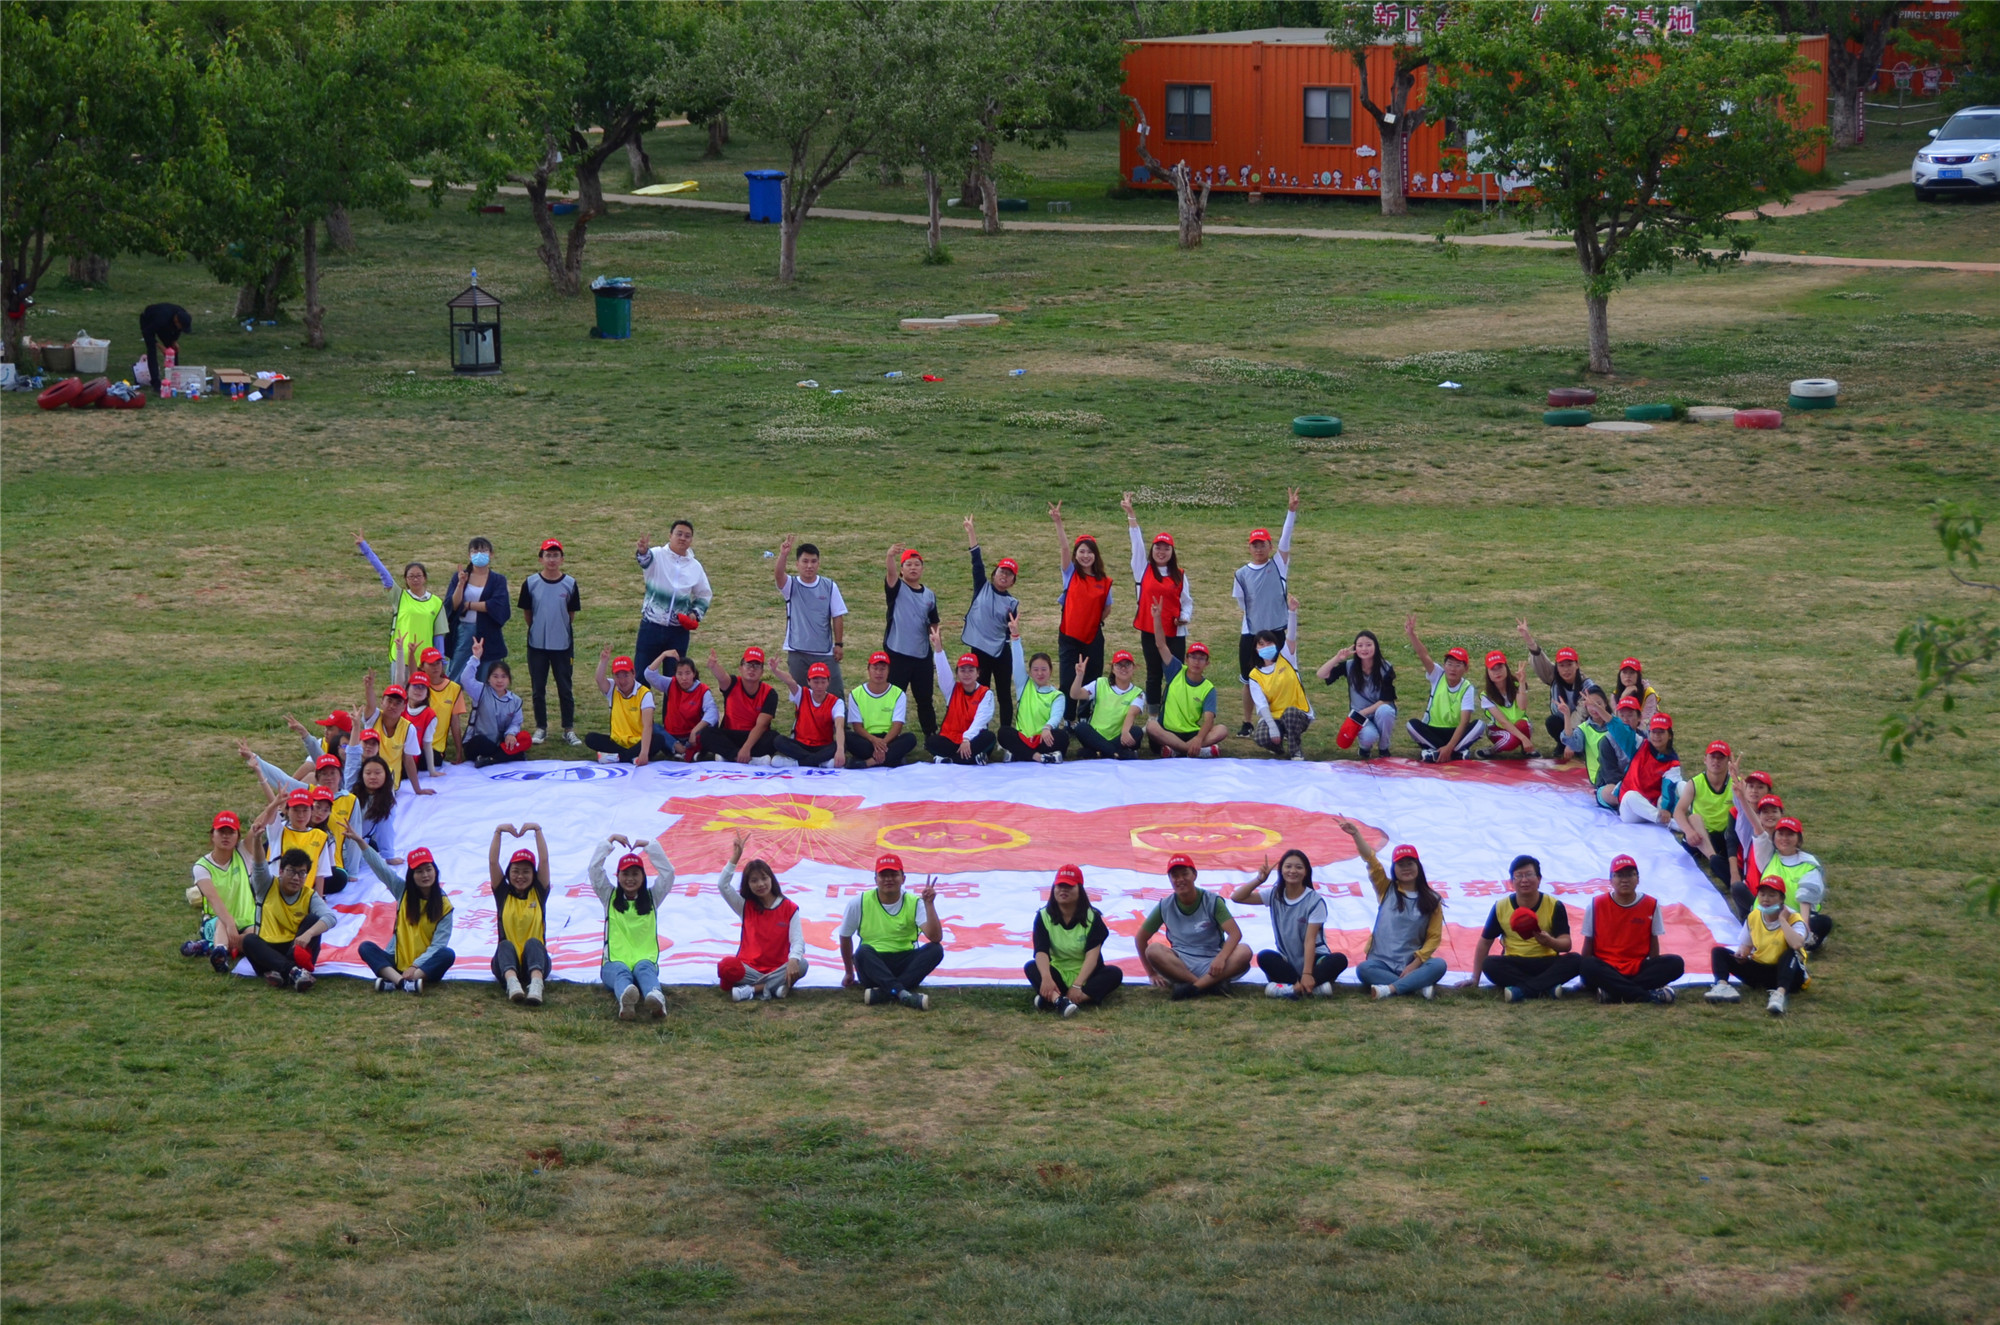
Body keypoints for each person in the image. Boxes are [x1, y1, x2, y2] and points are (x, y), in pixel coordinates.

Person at [1337, 823, 1447, 999]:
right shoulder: (1386, 888)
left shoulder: (1432, 899)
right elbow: (1371, 860)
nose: (1406, 868)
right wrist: (1356, 834)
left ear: (1418, 867)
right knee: (1364, 969)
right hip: (1381, 963)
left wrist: (1414, 966)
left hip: (1412, 963)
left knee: (1439, 965)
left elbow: (1434, 938)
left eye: (1410, 863)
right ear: (1394, 868)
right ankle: (1415, 987)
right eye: (1401, 864)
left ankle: (1390, 988)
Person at [1463, 855, 1581, 1001]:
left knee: (1576, 960)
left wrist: (1550, 941)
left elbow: (1566, 944)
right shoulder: (1501, 906)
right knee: (1489, 964)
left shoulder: (1554, 905)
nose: (1524, 880)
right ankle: (1546, 987)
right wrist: (1475, 978)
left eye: (1529, 875)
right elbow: (1485, 942)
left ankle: (1522, 991)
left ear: (1539, 879)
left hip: (1546, 962)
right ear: (1511, 882)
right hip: (1515, 963)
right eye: (1518, 876)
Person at [1231, 848, 1346, 999]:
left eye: (1299, 867)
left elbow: (1310, 940)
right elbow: (1237, 897)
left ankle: (1292, 988)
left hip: (1314, 959)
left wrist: (1307, 973)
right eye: (1288, 866)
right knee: (1264, 956)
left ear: (1306, 872)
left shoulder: (1315, 901)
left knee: (1339, 960)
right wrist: (1259, 880)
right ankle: (1310, 988)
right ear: (1281, 870)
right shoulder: (1274, 894)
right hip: (1288, 960)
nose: (1293, 871)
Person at [1135, 854, 1251, 999]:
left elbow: (1235, 933)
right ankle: (1209, 984)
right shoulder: (1164, 905)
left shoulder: (1212, 901)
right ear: (1170, 879)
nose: (1180, 879)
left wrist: (1221, 958)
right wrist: (1151, 973)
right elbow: (1140, 938)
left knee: (1244, 951)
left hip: (1213, 960)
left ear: (1194, 875)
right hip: (1181, 963)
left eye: (1185, 874)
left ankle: (1194, 987)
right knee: (1153, 950)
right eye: (1175, 876)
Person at [351, 838, 457, 995]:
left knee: (447, 954)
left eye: (428, 869)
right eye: (419, 871)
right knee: (366, 947)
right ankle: (403, 983)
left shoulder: (444, 905)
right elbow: (382, 869)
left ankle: (395, 981)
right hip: (396, 960)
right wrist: (360, 842)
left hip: (424, 967)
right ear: (411, 875)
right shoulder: (403, 891)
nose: (425, 875)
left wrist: (415, 966)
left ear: (435, 871)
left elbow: (438, 945)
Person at [1231, 490, 1299, 735]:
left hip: (1277, 631)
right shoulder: (1241, 574)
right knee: (1249, 678)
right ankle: (1248, 722)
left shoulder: (1278, 565)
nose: (1259, 548)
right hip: (1250, 633)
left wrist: (1291, 511)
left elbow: (1286, 539)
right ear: (1249, 548)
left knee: (1279, 677)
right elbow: (1242, 603)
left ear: (1270, 546)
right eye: (1255, 545)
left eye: (1263, 544)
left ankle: (1279, 719)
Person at [587, 832, 675, 1020]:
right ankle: (626, 1001)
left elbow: (668, 874)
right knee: (621, 973)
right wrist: (609, 841)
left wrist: (650, 846)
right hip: (613, 964)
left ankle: (655, 998)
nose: (630, 879)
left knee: (645, 970)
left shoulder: (652, 897)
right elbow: (594, 870)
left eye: (635, 874)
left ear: (643, 876)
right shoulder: (609, 896)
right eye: (625, 874)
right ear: (618, 876)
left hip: (645, 961)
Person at [839, 854, 943, 1009]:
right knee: (862, 952)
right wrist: (849, 972)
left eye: (894, 875)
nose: (889, 879)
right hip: (874, 965)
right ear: (876, 879)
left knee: (936, 950)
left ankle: (887, 992)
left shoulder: (915, 902)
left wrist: (929, 904)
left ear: (903, 879)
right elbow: (845, 936)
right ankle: (903, 992)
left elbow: (935, 937)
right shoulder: (858, 902)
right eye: (883, 875)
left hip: (905, 962)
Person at [1579, 854, 1684, 1004]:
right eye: (1619, 875)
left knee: (1676, 963)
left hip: (1637, 967)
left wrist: (1654, 967)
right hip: (1606, 967)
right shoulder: (1596, 904)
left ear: (1638, 879)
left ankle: (1614, 992)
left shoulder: (1651, 904)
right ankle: (1645, 995)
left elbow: (1653, 941)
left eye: (1630, 875)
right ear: (1610, 880)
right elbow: (1588, 942)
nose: (1625, 880)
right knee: (1587, 965)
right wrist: (1585, 974)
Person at [1123, 492, 1193, 710]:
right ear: (1152, 550)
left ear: (1172, 552)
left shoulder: (1179, 575)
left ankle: (1172, 713)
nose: (1161, 552)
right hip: (1150, 629)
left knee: (1175, 674)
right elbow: (1136, 544)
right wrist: (1131, 515)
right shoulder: (1142, 569)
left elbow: (1187, 602)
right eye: (1157, 548)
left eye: (1166, 548)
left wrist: (1184, 617)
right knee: (1153, 673)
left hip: (1175, 632)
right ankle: (1153, 715)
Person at [717, 833, 808, 1001]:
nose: (760, 884)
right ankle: (776, 987)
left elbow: (797, 941)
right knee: (726, 966)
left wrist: (793, 960)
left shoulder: (789, 908)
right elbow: (723, 885)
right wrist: (736, 857)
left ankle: (753, 989)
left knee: (801, 963)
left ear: (771, 879)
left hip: (778, 968)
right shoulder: (745, 906)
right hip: (750, 969)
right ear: (748, 885)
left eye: (764, 878)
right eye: (754, 881)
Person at [1704, 875, 1809, 1016]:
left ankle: (1780, 994)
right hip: (1761, 969)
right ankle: (1722, 986)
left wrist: (1783, 921)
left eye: (1772, 895)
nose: (1766, 899)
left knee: (1790, 953)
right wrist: (1742, 954)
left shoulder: (1794, 918)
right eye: (1762, 894)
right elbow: (1746, 946)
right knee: (1718, 952)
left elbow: (1796, 944)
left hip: (1789, 973)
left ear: (1781, 899)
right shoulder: (1754, 916)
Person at [1027, 864, 1123, 1014]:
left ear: (1080, 889)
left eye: (1069, 886)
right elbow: (1041, 951)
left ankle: (1055, 999)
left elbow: (1092, 957)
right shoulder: (1043, 916)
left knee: (1114, 974)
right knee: (1031, 967)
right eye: (1060, 885)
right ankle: (1060, 1001)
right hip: (1058, 972)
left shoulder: (1093, 917)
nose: (1063, 890)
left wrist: (1077, 985)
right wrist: (1046, 978)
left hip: (1087, 975)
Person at [242, 841, 336, 992]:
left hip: (295, 949)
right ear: (280, 871)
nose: (296, 878)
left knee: (313, 920)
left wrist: (309, 933)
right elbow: (259, 865)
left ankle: (282, 973)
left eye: (302, 873)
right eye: (291, 871)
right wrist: (257, 839)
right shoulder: (266, 885)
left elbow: (330, 917)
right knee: (249, 940)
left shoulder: (309, 895)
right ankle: (292, 972)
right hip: (268, 951)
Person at [356, 531, 447, 685]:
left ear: (425, 578)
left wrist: (441, 663)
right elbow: (384, 574)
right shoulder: (400, 597)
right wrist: (365, 548)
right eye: (411, 576)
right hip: (401, 658)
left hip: (426, 662)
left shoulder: (436, 602)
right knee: (399, 695)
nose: (415, 579)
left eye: (418, 576)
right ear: (405, 579)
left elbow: (439, 636)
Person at [518, 538, 582, 747]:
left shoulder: (570, 583)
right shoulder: (531, 583)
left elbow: (570, 614)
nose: (552, 559)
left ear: (562, 559)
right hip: (537, 645)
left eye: (556, 555)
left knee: (565, 688)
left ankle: (568, 729)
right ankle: (541, 727)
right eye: (548, 555)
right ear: (541, 559)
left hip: (562, 645)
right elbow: (528, 613)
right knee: (538, 688)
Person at [961, 516, 1020, 729]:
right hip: (979, 649)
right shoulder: (982, 587)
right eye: (1002, 571)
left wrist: (1014, 631)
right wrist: (971, 532)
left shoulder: (1012, 603)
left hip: (1001, 652)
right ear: (994, 574)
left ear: (1013, 581)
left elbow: (1011, 632)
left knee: (1004, 694)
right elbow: (976, 561)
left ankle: (1005, 735)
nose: (1004, 576)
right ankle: (980, 732)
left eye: (1009, 574)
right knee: (980, 693)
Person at [1048, 501, 1113, 692]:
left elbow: (1107, 608)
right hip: (1069, 637)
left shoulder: (1104, 581)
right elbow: (1064, 548)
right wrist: (1058, 522)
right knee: (1068, 682)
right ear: (1076, 555)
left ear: (1096, 555)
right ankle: (1067, 711)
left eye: (1090, 552)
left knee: (1092, 682)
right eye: (1082, 551)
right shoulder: (1070, 574)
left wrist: (1091, 622)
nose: (1086, 556)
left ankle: (1086, 711)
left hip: (1093, 638)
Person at [1402, 616, 1485, 762]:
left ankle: (1435, 752)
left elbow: (1464, 722)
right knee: (1411, 725)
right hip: (1433, 729)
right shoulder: (1437, 675)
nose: (1453, 669)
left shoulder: (1467, 687)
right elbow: (1423, 655)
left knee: (1479, 725)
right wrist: (1411, 634)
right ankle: (1456, 753)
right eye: (1450, 664)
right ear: (1444, 665)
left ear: (1466, 669)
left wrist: (1449, 746)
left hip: (1455, 731)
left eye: (1458, 665)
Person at [1143, 603, 1222, 757]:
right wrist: (1157, 618)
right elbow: (1161, 645)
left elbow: (1209, 720)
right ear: (1186, 659)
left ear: (1207, 663)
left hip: (1191, 733)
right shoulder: (1176, 670)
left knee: (1221, 730)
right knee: (1152, 726)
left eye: (1201, 658)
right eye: (1193, 657)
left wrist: (1198, 738)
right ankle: (1192, 750)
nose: (1196, 662)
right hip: (1167, 731)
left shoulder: (1208, 688)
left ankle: (1178, 750)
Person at [774, 535, 847, 698]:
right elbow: (778, 575)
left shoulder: (829, 586)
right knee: (801, 696)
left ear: (818, 563)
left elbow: (837, 616)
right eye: (805, 561)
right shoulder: (791, 585)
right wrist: (783, 555)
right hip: (797, 651)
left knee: (835, 695)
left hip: (824, 652)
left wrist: (838, 644)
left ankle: (839, 716)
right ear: (797, 564)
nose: (809, 566)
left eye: (813, 561)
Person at [183, 810, 256, 972]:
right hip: (217, 920)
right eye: (221, 831)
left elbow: (259, 825)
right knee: (222, 924)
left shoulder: (243, 853)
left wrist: (275, 804)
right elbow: (214, 900)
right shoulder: (201, 866)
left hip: (247, 920)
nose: (226, 836)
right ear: (212, 835)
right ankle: (220, 953)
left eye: (231, 832)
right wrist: (230, 924)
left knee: (255, 938)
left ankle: (208, 946)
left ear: (238, 836)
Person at [633, 521, 711, 672]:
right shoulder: (657, 554)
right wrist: (642, 551)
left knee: (674, 678)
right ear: (670, 536)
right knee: (643, 674)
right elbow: (645, 560)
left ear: (691, 540)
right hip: (651, 626)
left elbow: (704, 594)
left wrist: (695, 613)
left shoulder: (695, 567)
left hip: (678, 631)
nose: (682, 538)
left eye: (687, 536)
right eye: (679, 534)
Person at [488, 823, 552, 1005]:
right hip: (507, 964)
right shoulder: (503, 893)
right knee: (504, 945)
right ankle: (513, 984)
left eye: (526, 872)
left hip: (537, 962)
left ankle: (536, 985)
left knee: (534, 943)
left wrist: (538, 830)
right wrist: (498, 832)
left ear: (534, 874)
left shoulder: (538, 892)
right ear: (509, 873)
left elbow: (544, 861)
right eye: (515, 871)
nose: (520, 876)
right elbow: (493, 862)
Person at [882, 545, 941, 737]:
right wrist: (890, 556)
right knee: (893, 698)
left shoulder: (929, 595)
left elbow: (933, 622)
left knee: (925, 699)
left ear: (922, 569)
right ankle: (887, 736)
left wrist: (937, 645)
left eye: (917, 564)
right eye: (908, 564)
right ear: (901, 569)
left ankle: (931, 736)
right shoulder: (897, 588)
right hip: (898, 654)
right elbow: (890, 575)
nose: (913, 568)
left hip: (922, 656)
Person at [1245, 595, 1313, 760]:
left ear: (1276, 644)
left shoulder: (1287, 658)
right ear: (1256, 649)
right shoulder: (1255, 675)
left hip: (1297, 713)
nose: (1265, 647)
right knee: (1261, 737)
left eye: (1269, 643)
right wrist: (1271, 726)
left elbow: (1291, 636)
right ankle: (1278, 748)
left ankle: (1296, 750)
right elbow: (1261, 703)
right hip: (1274, 716)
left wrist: (1292, 612)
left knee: (1290, 714)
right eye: (1261, 644)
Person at [1671, 739, 1741, 897]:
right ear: (1705, 759)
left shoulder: (1736, 783)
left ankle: (1714, 860)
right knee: (1694, 818)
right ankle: (1714, 859)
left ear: (1728, 761)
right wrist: (1688, 831)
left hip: (1725, 836)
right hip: (1700, 836)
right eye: (1712, 757)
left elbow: (1750, 810)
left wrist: (1737, 779)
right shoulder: (1695, 783)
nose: (1716, 761)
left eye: (1721, 758)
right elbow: (1679, 812)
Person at [1516, 621, 1594, 760]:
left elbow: (1581, 715)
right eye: (1561, 665)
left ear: (1577, 665)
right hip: (1564, 721)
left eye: (1569, 665)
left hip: (1584, 725)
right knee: (1552, 722)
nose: (1566, 670)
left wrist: (1571, 740)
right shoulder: (1555, 677)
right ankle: (1561, 743)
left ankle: (1578, 746)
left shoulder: (1587, 685)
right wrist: (1528, 639)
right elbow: (1541, 662)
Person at [1316, 629, 1398, 759]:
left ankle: (1384, 748)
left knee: (1386, 711)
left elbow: (1386, 699)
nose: (1364, 649)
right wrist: (1337, 658)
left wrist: (1364, 712)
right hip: (1359, 716)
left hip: (1377, 711)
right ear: (1355, 648)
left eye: (1368, 645)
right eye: (1360, 645)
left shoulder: (1385, 667)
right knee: (1369, 736)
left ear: (1376, 646)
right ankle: (1364, 749)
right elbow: (1321, 674)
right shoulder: (1349, 666)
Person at [1757, 816, 1833, 953]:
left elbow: (1805, 898)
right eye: (1781, 834)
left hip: (1795, 918)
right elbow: (1757, 829)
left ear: (1799, 839)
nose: (1784, 838)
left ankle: (1797, 941)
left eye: (1790, 835)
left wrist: (1803, 926)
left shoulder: (1809, 863)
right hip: (1767, 915)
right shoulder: (1767, 856)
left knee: (1824, 922)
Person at [925, 625, 997, 765]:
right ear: (957, 673)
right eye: (963, 670)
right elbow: (943, 673)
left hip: (973, 738)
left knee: (989, 738)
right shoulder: (952, 689)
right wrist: (938, 649)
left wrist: (967, 739)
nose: (966, 674)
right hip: (951, 738)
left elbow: (980, 720)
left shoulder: (985, 693)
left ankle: (950, 759)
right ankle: (970, 758)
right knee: (931, 742)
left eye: (971, 670)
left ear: (978, 673)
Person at [443, 536, 511, 683]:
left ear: (491, 554)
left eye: (484, 550)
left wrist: (468, 605)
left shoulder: (498, 580)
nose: (479, 554)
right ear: (469, 555)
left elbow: (497, 605)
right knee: (456, 675)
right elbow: (453, 605)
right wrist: (460, 585)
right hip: (464, 632)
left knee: (486, 678)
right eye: (475, 551)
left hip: (489, 634)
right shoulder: (460, 577)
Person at [698, 645, 780, 764]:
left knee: (774, 738)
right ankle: (744, 758)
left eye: (756, 666)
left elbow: (761, 725)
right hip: (731, 734)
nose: (752, 669)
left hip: (755, 737)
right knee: (706, 734)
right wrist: (714, 666)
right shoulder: (732, 683)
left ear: (762, 671)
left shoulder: (769, 693)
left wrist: (746, 748)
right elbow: (722, 677)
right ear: (740, 668)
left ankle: (728, 755)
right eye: (748, 665)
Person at [1001, 623, 1068, 764]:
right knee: (1003, 733)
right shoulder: (1024, 684)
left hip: (1043, 737)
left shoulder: (1057, 695)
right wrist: (1015, 637)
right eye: (1036, 670)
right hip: (1024, 738)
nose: (1040, 673)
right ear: (1030, 671)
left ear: (1050, 671)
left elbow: (1056, 716)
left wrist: (1047, 728)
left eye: (1044, 669)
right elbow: (1017, 661)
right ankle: (1038, 757)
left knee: (1062, 737)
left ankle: (1019, 754)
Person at [586, 650, 667, 765]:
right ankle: (631, 756)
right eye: (618, 676)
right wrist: (603, 661)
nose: (622, 681)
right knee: (590, 738)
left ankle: (618, 757)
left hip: (638, 742)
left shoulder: (644, 694)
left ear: (633, 673)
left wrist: (644, 752)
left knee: (658, 740)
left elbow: (648, 725)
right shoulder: (612, 688)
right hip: (617, 742)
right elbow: (599, 679)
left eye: (626, 675)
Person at [459, 639, 530, 766]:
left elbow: (515, 723)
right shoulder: (481, 691)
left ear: (509, 679)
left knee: (525, 738)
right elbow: (465, 679)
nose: (499, 681)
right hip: (480, 742)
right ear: (488, 678)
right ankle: (506, 755)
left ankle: (490, 759)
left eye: (503, 676)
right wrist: (475, 657)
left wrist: (510, 734)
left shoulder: (515, 700)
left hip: (501, 741)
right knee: (480, 742)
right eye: (495, 676)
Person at [1068, 648, 1146, 760]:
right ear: (1113, 669)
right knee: (1081, 727)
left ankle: (1098, 753)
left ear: (1133, 668)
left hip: (1119, 738)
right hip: (1096, 736)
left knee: (1137, 732)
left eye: (1127, 665)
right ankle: (1116, 753)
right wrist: (1079, 676)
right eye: (1119, 665)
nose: (1123, 668)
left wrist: (1125, 732)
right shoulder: (1100, 683)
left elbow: (1131, 714)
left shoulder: (1138, 693)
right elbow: (1075, 695)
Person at [1560, 685, 1630, 809]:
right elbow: (1573, 744)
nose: (1594, 708)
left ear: (1605, 703)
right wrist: (1567, 716)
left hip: (1623, 772)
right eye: (1590, 705)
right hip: (1602, 778)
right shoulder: (1584, 728)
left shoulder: (1615, 723)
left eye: (1598, 704)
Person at [846, 651, 918, 769]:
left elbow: (897, 726)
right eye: (875, 668)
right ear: (868, 670)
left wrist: (882, 743)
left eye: (883, 669)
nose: (879, 672)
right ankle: (891, 758)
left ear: (888, 671)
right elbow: (857, 727)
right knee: (847, 737)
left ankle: (870, 761)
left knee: (910, 739)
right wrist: (874, 741)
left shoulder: (898, 694)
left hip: (889, 739)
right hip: (868, 739)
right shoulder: (855, 694)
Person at [642, 650, 718, 761]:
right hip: (672, 735)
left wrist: (695, 731)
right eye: (680, 674)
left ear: (694, 674)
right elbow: (649, 674)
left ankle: (685, 751)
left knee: (711, 727)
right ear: (675, 675)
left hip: (692, 735)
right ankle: (680, 749)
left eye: (687, 673)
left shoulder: (702, 690)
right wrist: (663, 655)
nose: (684, 678)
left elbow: (713, 713)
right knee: (652, 727)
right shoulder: (670, 683)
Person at [775, 663, 848, 768]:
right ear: (808, 681)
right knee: (778, 740)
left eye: (823, 682)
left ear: (829, 682)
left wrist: (840, 750)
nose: (819, 686)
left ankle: (798, 763)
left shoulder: (836, 702)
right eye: (816, 682)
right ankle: (820, 762)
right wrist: (776, 670)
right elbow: (789, 681)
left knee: (842, 744)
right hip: (801, 744)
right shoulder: (801, 694)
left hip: (823, 745)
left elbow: (839, 726)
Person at [1617, 713, 1683, 825]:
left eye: (1661, 732)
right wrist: (1601, 711)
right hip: (1633, 811)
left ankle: (1700, 816)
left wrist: (1666, 808)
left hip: (1654, 805)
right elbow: (1619, 730)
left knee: (1683, 785)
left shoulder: (1672, 761)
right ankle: (1672, 824)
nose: (1657, 736)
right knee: (1629, 796)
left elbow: (1669, 786)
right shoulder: (1640, 745)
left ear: (1670, 735)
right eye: (1654, 732)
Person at [1476, 650, 1535, 758]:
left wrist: (1522, 682)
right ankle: (1492, 750)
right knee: (1511, 740)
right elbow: (1503, 722)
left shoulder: (1517, 685)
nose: (1497, 672)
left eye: (1500, 667)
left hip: (1520, 725)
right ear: (1488, 673)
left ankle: (1527, 750)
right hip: (1498, 728)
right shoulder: (1486, 695)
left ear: (1506, 668)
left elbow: (1522, 706)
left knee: (1524, 725)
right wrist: (1523, 738)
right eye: (1493, 669)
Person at [138, 302, 192, 392]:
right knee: (152, 350)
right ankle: (155, 382)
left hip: (165, 323)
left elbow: (178, 330)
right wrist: (161, 347)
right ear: (176, 320)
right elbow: (147, 333)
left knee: (173, 349)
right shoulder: (160, 320)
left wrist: (174, 341)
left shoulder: (182, 314)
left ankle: (175, 376)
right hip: (148, 321)